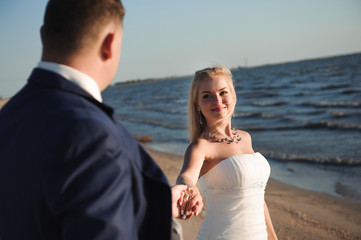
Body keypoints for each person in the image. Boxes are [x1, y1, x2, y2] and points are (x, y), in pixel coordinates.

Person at [0, 0, 189, 239]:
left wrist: (151, 204)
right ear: (110, 43)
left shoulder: (8, 116)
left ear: (42, 35)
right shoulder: (91, 135)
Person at [176, 65, 278, 239]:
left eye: (223, 92)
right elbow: (186, 177)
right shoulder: (201, 147)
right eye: (207, 96)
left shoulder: (245, 137)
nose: (217, 100)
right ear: (197, 105)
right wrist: (189, 189)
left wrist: (273, 237)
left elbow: (258, 197)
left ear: (233, 96)